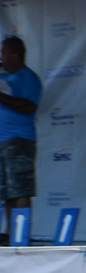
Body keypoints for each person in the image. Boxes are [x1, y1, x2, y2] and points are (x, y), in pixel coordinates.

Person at [0, 36, 42, 246]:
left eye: (4, 53)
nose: (2, 57)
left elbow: (28, 107)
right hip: (2, 141)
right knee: (7, 192)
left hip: (19, 140)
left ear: (15, 55)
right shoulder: (6, 78)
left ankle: (21, 233)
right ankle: (10, 234)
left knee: (21, 190)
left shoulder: (28, 78)